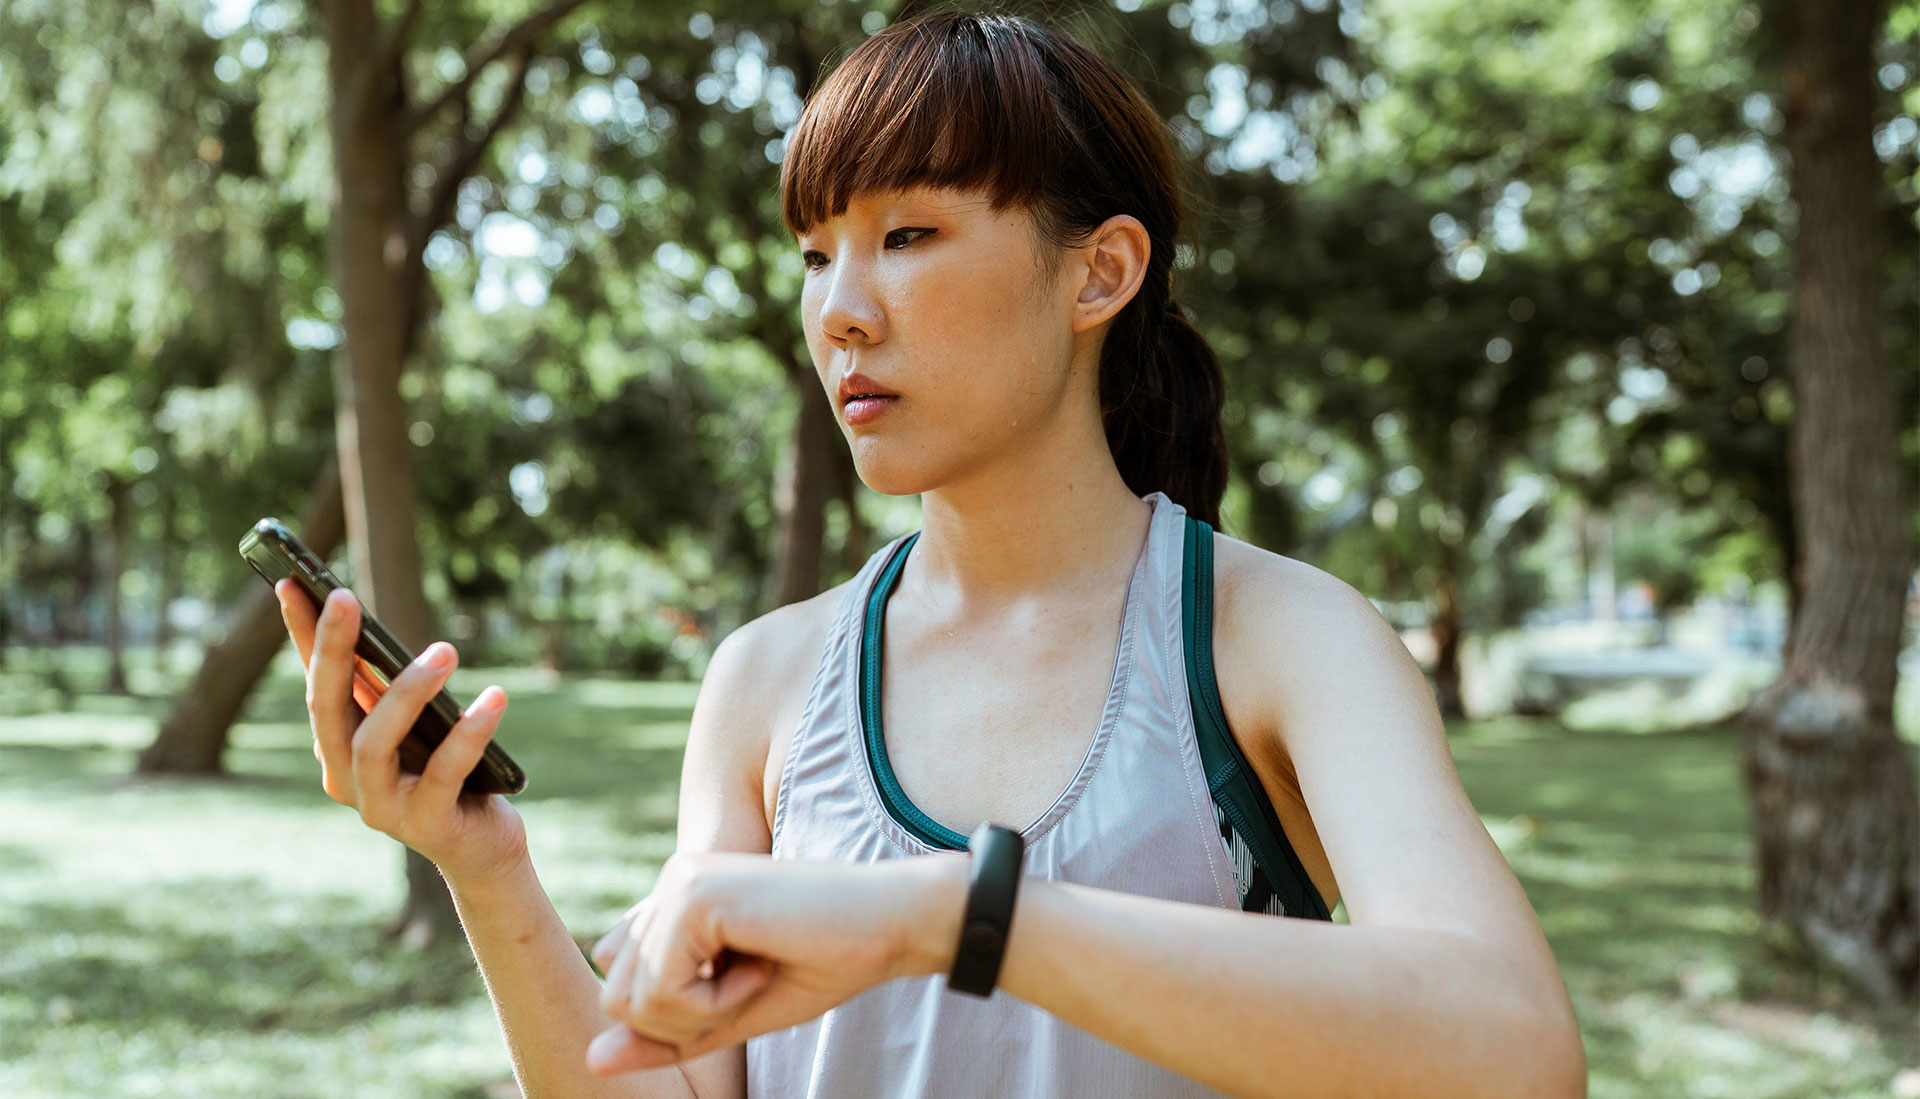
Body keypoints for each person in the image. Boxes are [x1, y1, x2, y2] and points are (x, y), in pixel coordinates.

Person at [275, 11, 1586, 1098]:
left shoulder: (1275, 637)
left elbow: (1517, 1052)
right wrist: (485, 865)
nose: (840, 312)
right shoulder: (765, 680)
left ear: (1099, 273)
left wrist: (958, 918)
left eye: (907, 237)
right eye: (815, 253)